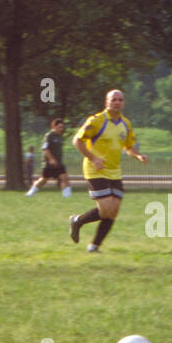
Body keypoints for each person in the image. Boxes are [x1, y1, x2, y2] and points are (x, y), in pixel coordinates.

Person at [69, 90, 148, 253]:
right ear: (107, 102)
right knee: (105, 210)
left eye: (120, 100)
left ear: (123, 103)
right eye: (113, 100)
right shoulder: (97, 120)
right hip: (95, 170)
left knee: (113, 212)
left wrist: (138, 155)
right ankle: (77, 221)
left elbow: (128, 147)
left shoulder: (125, 123)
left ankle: (94, 246)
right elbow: (77, 141)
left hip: (114, 171)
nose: (117, 102)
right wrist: (93, 158)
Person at [25, 118, 72, 197]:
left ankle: (67, 196)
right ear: (54, 127)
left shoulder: (60, 137)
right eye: (59, 127)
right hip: (49, 163)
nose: (61, 129)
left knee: (64, 178)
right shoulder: (49, 136)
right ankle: (30, 193)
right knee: (44, 180)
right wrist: (51, 159)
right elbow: (45, 148)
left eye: (62, 127)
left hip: (59, 163)